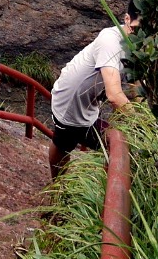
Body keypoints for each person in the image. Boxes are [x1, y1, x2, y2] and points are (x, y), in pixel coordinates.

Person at [47, 17, 137, 178]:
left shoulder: (139, 43)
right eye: (137, 28)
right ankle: (58, 185)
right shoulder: (110, 41)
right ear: (127, 19)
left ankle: (61, 184)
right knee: (65, 142)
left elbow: (136, 81)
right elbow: (114, 96)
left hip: (91, 99)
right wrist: (142, 124)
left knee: (106, 143)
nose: (141, 34)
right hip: (71, 102)